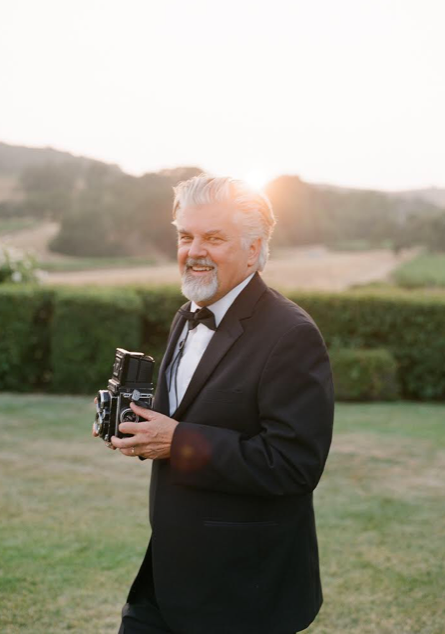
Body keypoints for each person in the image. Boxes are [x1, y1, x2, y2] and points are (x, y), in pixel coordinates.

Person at [96, 175, 334, 634]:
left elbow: (294, 464)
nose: (194, 250)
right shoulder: (187, 314)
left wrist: (177, 442)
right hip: (167, 571)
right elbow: (178, 420)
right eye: (186, 236)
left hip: (243, 590)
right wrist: (134, 430)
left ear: (254, 248)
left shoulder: (292, 335)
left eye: (214, 237)